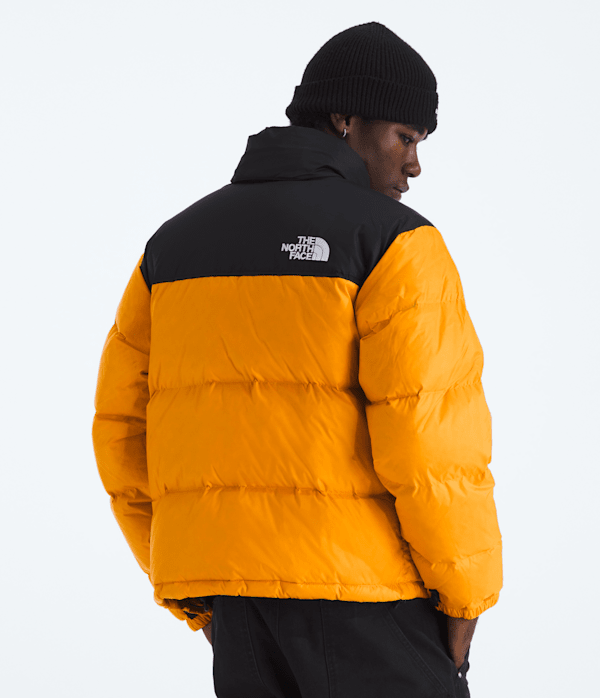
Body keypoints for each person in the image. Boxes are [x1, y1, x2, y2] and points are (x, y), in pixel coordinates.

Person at [92, 21, 502, 697]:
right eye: (405, 137)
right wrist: (466, 595)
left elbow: (121, 432)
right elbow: (431, 441)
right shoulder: (395, 243)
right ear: (346, 120)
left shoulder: (173, 247)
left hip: (239, 612)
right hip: (369, 599)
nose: (414, 165)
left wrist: (197, 587)